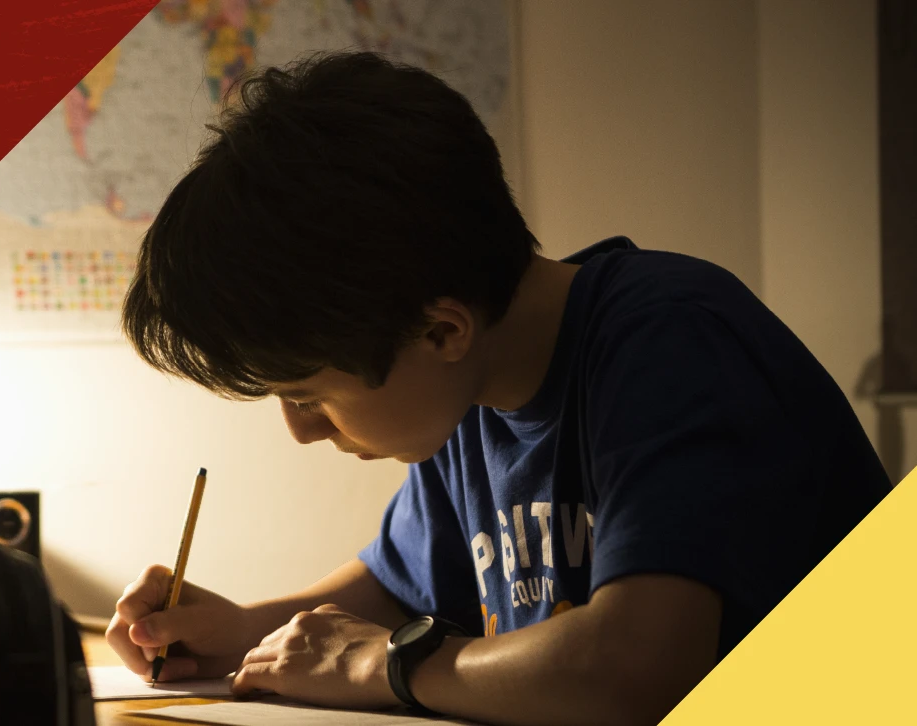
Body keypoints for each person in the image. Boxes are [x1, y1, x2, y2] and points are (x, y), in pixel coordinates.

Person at [106, 50, 891, 725]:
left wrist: (380, 667)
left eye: (307, 394)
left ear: (441, 330)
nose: (302, 430)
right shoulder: (468, 393)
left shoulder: (671, 339)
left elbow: (635, 670)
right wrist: (244, 628)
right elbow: (392, 586)